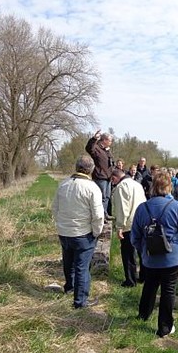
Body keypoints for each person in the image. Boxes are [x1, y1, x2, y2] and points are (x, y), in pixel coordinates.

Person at [131, 170, 178, 337]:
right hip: (172, 258)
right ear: (169, 187)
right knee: (168, 290)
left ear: (153, 187)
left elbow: (135, 237)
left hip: (150, 258)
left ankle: (143, 314)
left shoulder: (142, 208)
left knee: (149, 286)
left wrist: (143, 250)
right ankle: (164, 327)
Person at [52, 155, 105, 309]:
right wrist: (96, 232)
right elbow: (98, 214)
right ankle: (80, 301)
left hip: (65, 232)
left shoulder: (63, 184)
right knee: (82, 267)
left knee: (68, 263)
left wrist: (62, 224)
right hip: (83, 234)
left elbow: (55, 208)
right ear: (91, 169)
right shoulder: (92, 187)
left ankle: (70, 288)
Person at [111, 168, 147, 287]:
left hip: (129, 224)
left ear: (114, 178)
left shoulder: (121, 187)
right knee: (142, 252)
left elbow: (122, 209)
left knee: (128, 253)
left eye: (112, 181)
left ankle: (131, 280)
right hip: (142, 222)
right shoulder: (137, 184)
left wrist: (119, 227)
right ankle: (143, 276)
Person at [85, 131, 114, 219]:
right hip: (100, 177)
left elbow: (111, 162)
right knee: (101, 197)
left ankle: (104, 214)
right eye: (110, 140)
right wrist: (94, 138)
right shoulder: (96, 148)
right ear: (104, 140)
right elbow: (89, 148)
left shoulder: (106, 151)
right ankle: (99, 216)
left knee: (107, 197)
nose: (111, 143)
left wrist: (108, 151)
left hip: (108, 178)